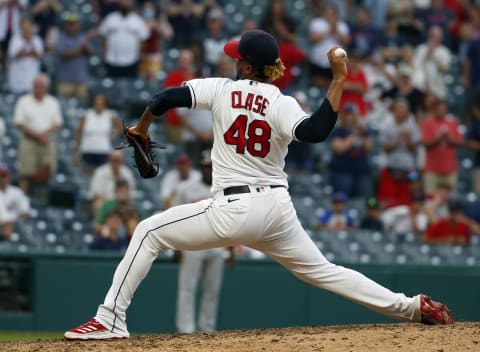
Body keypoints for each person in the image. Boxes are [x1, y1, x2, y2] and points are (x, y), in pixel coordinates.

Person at [65, 30, 452, 341]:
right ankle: (411, 306)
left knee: (149, 231)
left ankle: (109, 319)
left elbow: (162, 98)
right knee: (324, 270)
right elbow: (316, 131)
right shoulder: (281, 101)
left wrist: (142, 127)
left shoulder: (221, 89)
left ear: (248, 65)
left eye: (238, 58)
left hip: (234, 209)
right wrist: (337, 81)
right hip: (277, 209)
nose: (233, 61)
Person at [174, 149, 232, 333]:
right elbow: (175, 218)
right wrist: (177, 246)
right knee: (187, 288)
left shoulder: (224, 188)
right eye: (206, 167)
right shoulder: (187, 188)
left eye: (211, 167)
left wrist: (230, 247)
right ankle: (185, 330)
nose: (209, 170)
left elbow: (230, 219)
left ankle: (207, 328)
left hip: (216, 243)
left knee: (212, 290)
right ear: (200, 168)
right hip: (192, 243)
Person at [13, 73, 63, 194]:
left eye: (41, 86)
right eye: (36, 86)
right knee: (25, 174)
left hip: (47, 141)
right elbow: (20, 123)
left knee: (48, 171)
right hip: (28, 141)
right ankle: (22, 200)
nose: (38, 89)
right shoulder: (23, 101)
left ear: (46, 87)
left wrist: (43, 135)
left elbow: (57, 124)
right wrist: (38, 136)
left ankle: (44, 202)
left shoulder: (53, 102)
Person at [420, 97, 463, 196]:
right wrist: (438, 137)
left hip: (450, 169)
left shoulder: (452, 122)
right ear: (434, 110)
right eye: (439, 109)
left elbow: (460, 142)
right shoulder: (428, 123)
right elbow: (425, 143)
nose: (442, 111)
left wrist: (449, 137)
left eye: (444, 109)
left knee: (451, 201)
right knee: (430, 198)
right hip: (432, 170)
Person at [72, 93, 123, 175]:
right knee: (86, 176)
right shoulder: (86, 115)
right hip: (87, 150)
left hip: (104, 151)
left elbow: (122, 127)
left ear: (105, 104)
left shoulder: (109, 115)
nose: (99, 105)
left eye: (101, 103)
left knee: (103, 175)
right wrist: (75, 153)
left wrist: (113, 134)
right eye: (97, 103)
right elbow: (78, 134)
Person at [98, 0, 149, 78]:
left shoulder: (137, 20)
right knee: (111, 87)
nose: (125, 3)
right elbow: (103, 35)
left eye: (127, 1)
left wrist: (140, 57)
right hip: (112, 60)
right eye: (123, 1)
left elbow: (143, 39)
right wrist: (105, 53)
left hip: (131, 61)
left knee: (131, 88)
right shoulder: (110, 18)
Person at [55, 12, 92, 100]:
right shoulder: (62, 37)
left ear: (78, 24)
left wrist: (86, 48)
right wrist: (80, 50)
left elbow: (90, 53)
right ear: (66, 25)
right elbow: (62, 54)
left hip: (81, 79)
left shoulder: (83, 37)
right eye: (70, 23)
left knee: (82, 106)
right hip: (65, 80)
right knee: (63, 107)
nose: (72, 26)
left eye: (74, 23)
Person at [7, 17, 44, 94]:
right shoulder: (15, 39)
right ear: (21, 27)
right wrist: (25, 42)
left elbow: (38, 55)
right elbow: (15, 55)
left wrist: (30, 41)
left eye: (28, 26)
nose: (26, 29)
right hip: (17, 78)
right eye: (24, 26)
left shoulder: (37, 40)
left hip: (31, 77)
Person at [0, 163, 30, 240]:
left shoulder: (17, 192)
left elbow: (25, 213)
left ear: (9, 176)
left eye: (3, 175)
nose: (1, 178)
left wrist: (10, 224)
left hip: (15, 228)